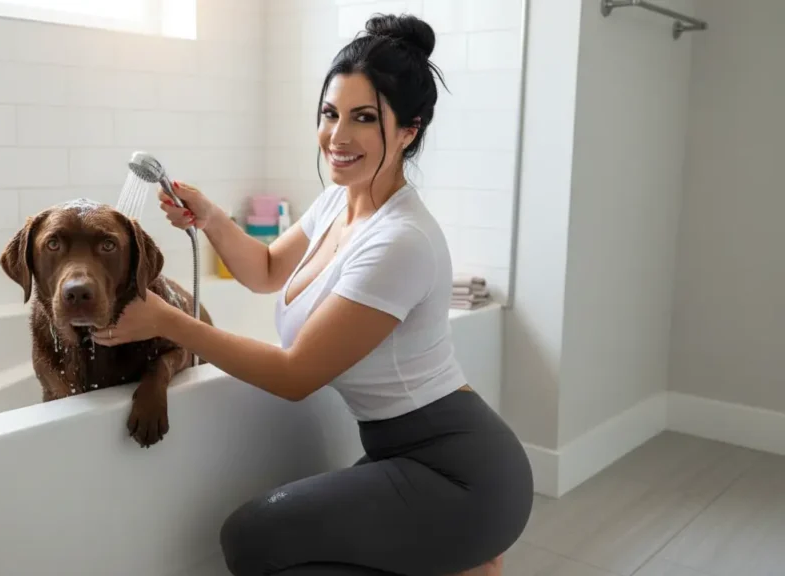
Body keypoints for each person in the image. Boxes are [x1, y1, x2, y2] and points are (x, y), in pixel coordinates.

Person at [94, 12, 534, 576]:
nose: (337, 136)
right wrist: (208, 218)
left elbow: (296, 376)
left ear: (409, 130)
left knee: (250, 540)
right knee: (266, 540)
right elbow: (268, 269)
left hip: (463, 471)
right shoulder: (338, 200)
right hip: (401, 454)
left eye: (364, 118)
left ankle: (465, 551)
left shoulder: (400, 240)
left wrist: (168, 321)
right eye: (330, 114)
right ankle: (459, 561)